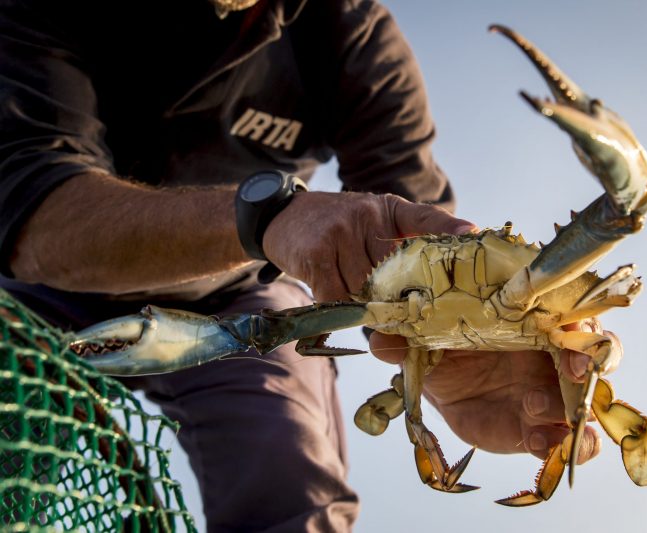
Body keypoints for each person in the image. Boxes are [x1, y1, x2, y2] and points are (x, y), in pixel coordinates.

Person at [0, 0, 609, 530]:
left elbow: (419, 242)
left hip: (240, 307)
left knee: (292, 491)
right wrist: (270, 218)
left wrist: (455, 351)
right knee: (18, 473)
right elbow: (30, 208)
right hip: (31, 294)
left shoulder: (354, 38)